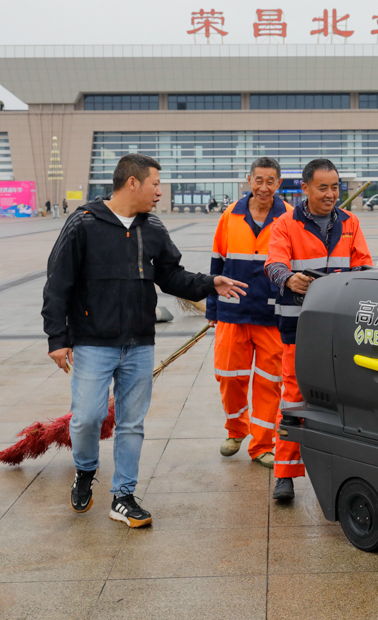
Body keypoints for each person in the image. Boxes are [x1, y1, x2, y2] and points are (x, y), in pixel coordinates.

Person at [42, 153, 246, 528]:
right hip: (92, 342)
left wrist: (209, 283)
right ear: (132, 182)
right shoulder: (83, 223)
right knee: (87, 418)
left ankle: (123, 496)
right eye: (155, 184)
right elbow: (58, 283)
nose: (159, 192)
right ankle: (85, 469)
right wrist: (58, 337)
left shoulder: (152, 227)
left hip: (139, 343)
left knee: (131, 424)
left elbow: (171, 276)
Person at [264, 158, 373, 501]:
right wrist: (288, 278)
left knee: (344, 400)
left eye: (335, 187)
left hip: (340, 329)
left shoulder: (350, 222)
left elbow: (364, 265)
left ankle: (343, 473)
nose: (330, 194)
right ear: (305, 188)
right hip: (299, 329)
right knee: (294, 398)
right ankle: (285, 475)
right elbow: (273, 263)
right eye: (322, 187)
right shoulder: (285, 224)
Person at [207, 157, 292, 466]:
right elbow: (217, 262)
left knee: (270, 381)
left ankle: (263, 445)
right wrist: (212, 308)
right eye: (259, 180)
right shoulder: (230, 215)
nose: (264, 187)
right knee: (228, 375)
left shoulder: (289, 217)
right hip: (233, 311)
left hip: (272, 315)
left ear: (279, 183)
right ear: (249, 180)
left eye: (270, 181)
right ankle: (236, 430)